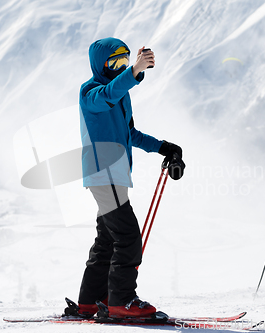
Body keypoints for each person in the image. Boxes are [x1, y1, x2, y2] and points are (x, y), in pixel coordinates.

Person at [77, 37, 183, 318]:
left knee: (108, 239)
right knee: (127, 237)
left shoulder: (121, 94)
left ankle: (90, 301)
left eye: (123, 61)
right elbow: (108, 94)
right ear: (100, 65)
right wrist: (134, 70)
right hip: (104, 172)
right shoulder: (91, 93)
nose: (119, 67)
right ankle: (121, 301)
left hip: (116, 175)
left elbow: (130, 133)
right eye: (114, 62)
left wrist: (164, 147)